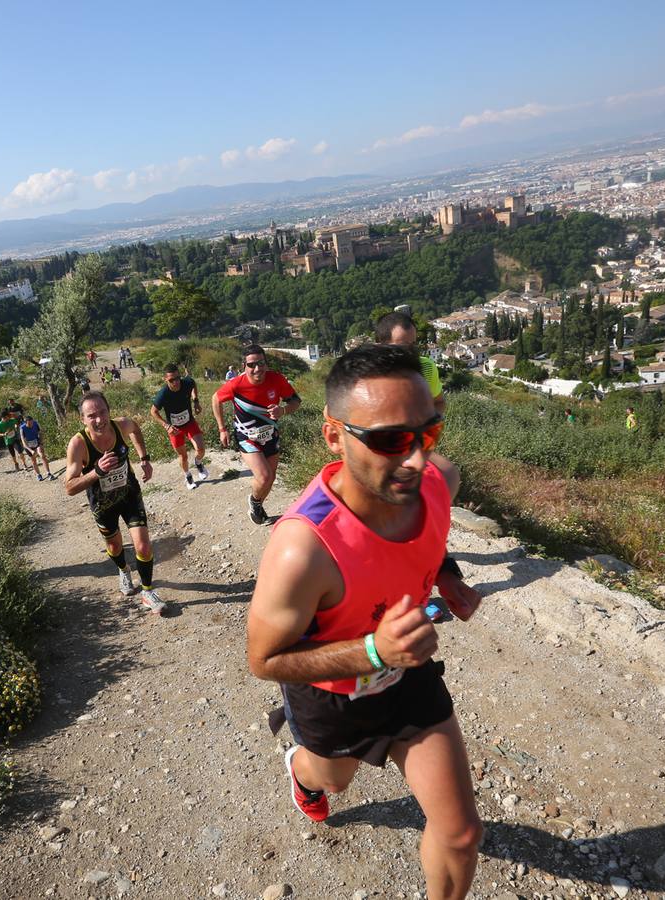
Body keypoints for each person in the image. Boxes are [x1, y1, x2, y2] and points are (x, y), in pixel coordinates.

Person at [246, 344, 485, 900]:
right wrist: (374, 651)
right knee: (333, 779)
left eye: (428, 434)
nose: (417, 460)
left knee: (461, 833)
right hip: (331, 693)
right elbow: (264, 660)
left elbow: (428, 532)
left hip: (407, 676)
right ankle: (302, 769)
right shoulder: (303, 549)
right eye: (389, 440)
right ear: (334, 436)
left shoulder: (434, 485)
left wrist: (446, 575)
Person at [63, 391, 167, 614]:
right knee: (115, 546)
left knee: (143, 545)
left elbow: (136, 429)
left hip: (129, 494)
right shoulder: (78, 444)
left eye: (102, 412)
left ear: (109, 411)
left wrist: (144, 458)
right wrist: (96, 472)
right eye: (91, 416)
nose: (99, 419)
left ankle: (148, 592)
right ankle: (123, 569)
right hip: (103, 504)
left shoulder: (121, 426)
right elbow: (69, 487)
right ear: (83, 419)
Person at [376, 310, 461, 499]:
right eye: (402, 347)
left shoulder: (426, 368)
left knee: (446, 476)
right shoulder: (368, 374)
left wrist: (427, 428)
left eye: (412, 345)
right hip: (378, 450)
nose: (409, 353)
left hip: (415, 448)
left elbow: (439, 403)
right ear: (381, 346)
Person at [213, 345, 301, 525]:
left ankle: (257, 504)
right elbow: (215, 399)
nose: (257, 368)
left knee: (271, 477)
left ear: (266, 364)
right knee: (264, 477)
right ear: (244, 366)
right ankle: (254, 501)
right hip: (247, 437)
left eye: (261, 363)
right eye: (252, 365)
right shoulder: (236, 384)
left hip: (270, 435)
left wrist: (282, 410)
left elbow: (295, 401)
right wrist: (222, 429)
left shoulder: (276, 379)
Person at [151, 363, 210, 490]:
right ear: (165, 379)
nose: (176, 382)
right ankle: (188, 476)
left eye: (178, 378)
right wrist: (166, 426)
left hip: (189, 423)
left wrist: (196, 401)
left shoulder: (186, 383)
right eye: (172, 380)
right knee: (183, 456)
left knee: (201, 449)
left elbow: (193, 384)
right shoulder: (163, 394)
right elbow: (153, 412)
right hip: (175, 429)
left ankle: (198, 463)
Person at [18, 413, 54, 480]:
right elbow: (24, 443)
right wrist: (31, 450)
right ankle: (38, 475)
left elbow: (40, 433)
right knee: (33, 460)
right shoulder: (22, 428)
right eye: (29, 424)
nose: (31, 425)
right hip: (28, 446)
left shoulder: (35, 423)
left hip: (36, 441)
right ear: (25, 423)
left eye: (32, 423)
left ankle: (49, 473)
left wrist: (41, 442)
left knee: (42, 455)